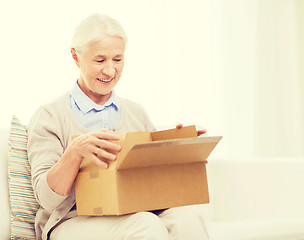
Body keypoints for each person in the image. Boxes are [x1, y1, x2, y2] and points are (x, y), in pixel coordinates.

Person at [27, 13, 209, 240]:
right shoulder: (50, 116)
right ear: (75, 57)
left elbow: (156, 182)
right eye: (100, 60)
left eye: (117, 59)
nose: (110, 71)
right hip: (72, 220)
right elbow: (46, 198)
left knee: (187, 221)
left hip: (135, 211)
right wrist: (74, 153)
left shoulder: (136, 112)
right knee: (144, 224)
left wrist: (183, 153)